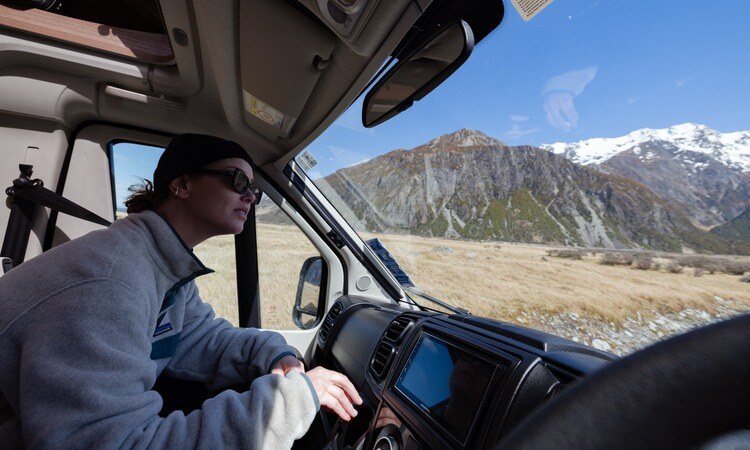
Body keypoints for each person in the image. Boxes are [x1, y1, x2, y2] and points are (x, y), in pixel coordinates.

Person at [0, 133, 362, 449]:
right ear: (182, 185)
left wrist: (271, 353)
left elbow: (199, 338)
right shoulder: (111, 283)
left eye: (255, 189)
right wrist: (289, 403)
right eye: (238, 181)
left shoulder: (162, 265)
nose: (250, 197)